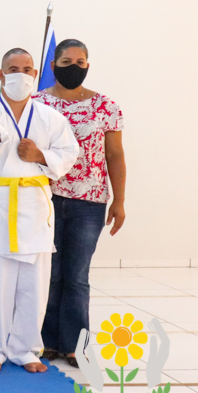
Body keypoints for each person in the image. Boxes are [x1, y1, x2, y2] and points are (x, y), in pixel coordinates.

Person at [0, 48, 80, 373]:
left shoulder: (50, 117)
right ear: (1, 74)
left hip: (33, 207)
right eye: (13, 68)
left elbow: (69, 153)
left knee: (34, 284)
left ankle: (27, 349)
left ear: (35, 74)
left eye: (27, 68)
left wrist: (40, 155)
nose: (20, 74)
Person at [33, 40, 126, 367]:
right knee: (50, 273)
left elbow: (114, 154)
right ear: (53, 65)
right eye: (66, 61)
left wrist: (119, 200)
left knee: (76, 275)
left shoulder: (106, 106)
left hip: (90, 202)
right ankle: (46, 340)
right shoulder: (37, 103)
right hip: (45, 198)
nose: (73, 67)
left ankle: (75, 344)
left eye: (80, 62)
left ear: (88, 65)